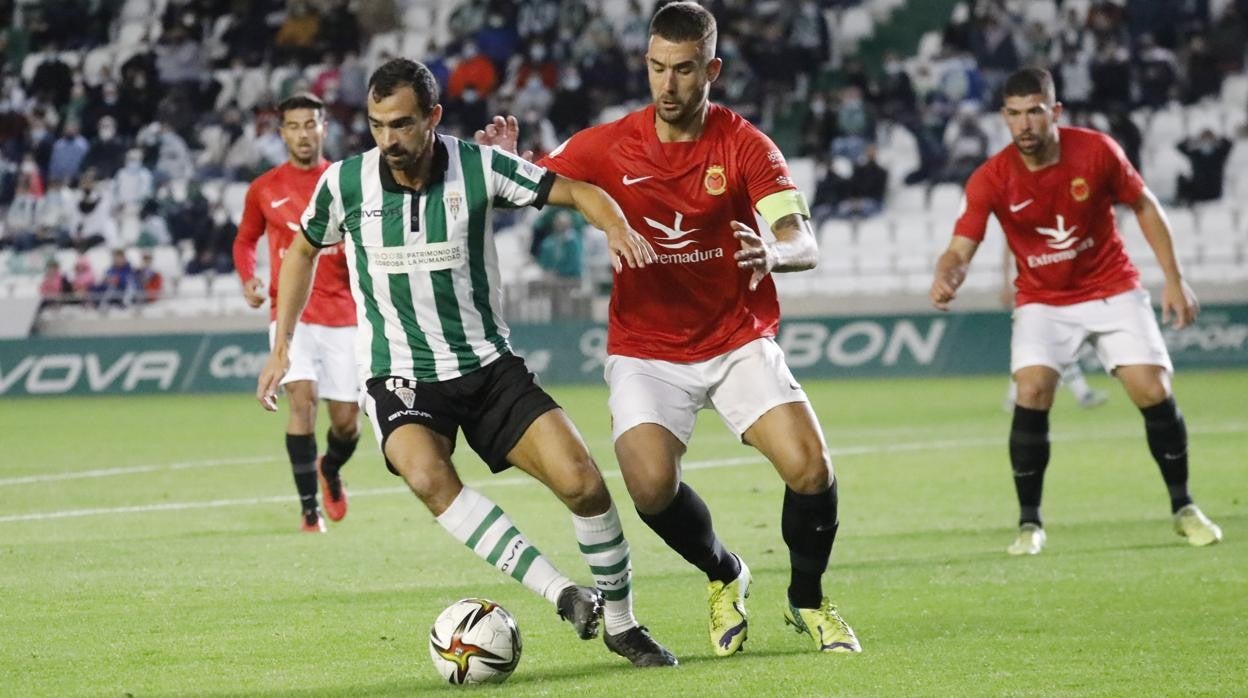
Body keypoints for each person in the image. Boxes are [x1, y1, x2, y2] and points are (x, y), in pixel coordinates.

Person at [256, 58, 676, 668]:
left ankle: (620, 622)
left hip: (487, 366)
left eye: (401, 125)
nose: (388, 140)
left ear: (433, 117)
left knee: (584, 483)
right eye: (376, 125)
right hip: (400, 373)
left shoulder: (479, 166)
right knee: (426, 476)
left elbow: (576, 189)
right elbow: (300, 252)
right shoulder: (346, 183)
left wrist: (613, 226)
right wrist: (282, 346)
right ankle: (561, 593)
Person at [476, 2, 860, 655]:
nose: (668, 85)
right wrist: (507, 166)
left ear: (710, 69)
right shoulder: (609, 143)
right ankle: (724, 574)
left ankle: (807, 600)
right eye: (657, 68)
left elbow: (804, 241)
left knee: (810, 468)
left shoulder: (744, 146)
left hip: (736, 337)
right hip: (646, 348)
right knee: (650, 486)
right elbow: (536, 183)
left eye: (683, 70)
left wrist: (774, 253)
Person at [930, 67, 1223, 556]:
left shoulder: (1096, 151)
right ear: (1004, 116)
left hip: (1111, 286)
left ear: (1055, 112)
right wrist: (948, 274)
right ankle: (1030, 524)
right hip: (1043, 300)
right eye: (1014, 114)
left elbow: (1145, 205)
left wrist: (1173, 278)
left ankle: (1184, 507)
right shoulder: (992, 177)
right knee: (1032, 389)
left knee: (1152, 388)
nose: (1024, 124)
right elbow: (960, 247)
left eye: (1035, 112)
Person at [233, 93, 361, 533]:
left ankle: (330, 468)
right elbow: (245, 240)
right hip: (291, 316)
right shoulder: (264, 188)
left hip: (343, 314)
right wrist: (247, 277)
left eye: (311, 124)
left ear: (324, 128)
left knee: (347, 423)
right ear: (282, 131)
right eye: (294, 125)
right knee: (302, 402)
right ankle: (310, 512)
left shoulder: (346, 181)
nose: (303, 133)